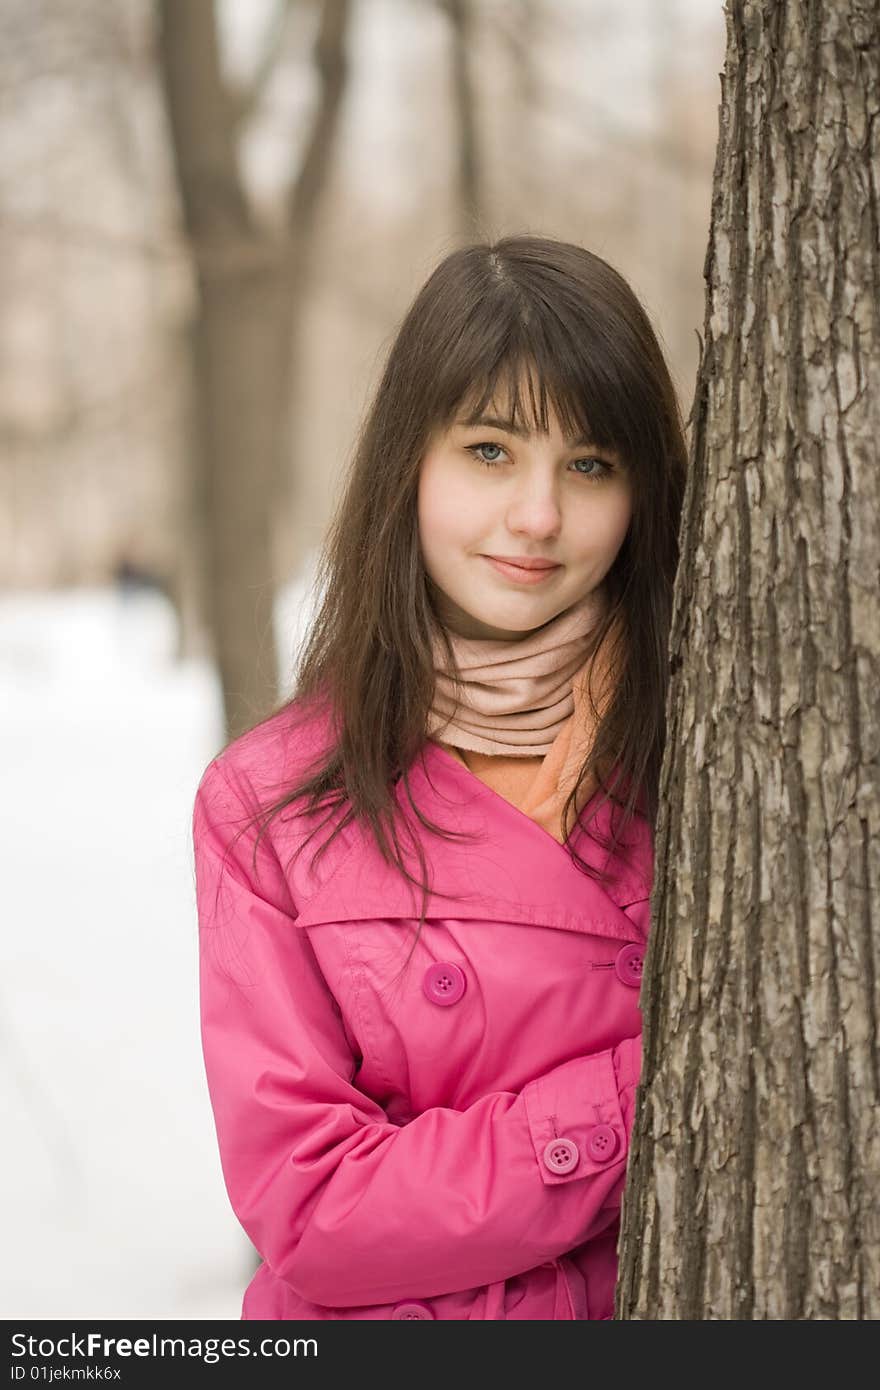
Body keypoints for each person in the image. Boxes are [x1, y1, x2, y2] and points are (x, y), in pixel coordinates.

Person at [191, 235, 687, 1321]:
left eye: (591, 465)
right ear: (408, 462)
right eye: (491, 452)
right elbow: (314, 1206)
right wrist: (641, 1090)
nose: (539, 517)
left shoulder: (708, 752)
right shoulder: (268, 801)